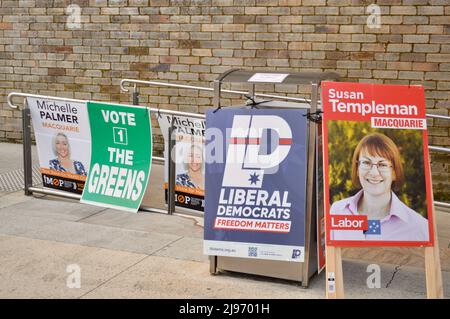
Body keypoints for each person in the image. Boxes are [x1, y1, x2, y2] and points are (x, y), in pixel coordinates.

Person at [330, 133, 429, 241]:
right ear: (357, 168)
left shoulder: (419, 228)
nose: (374, 172)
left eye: (382, 165)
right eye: (367, 162)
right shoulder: (338, 211)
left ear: (394, 172)